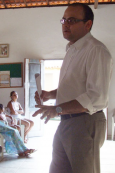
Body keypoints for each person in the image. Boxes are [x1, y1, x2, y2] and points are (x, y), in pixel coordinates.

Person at [33, 3, 113, 173]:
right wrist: (50, 94)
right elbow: (74, 87)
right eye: (63, 19)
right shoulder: (72, 50)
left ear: (88, 24)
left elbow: (95, 97)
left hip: (84, 121)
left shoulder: (96, 50)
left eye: (72, 20)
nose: (65, 24)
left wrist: (58, 108)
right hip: (66, 121)